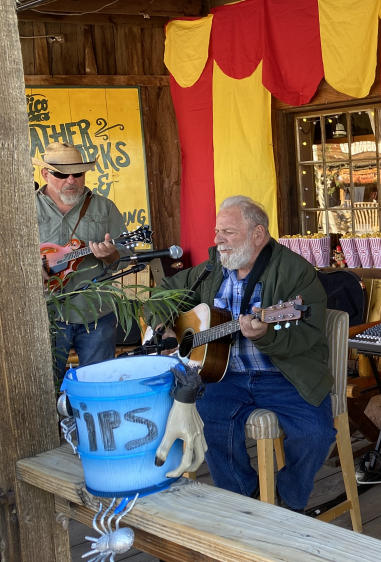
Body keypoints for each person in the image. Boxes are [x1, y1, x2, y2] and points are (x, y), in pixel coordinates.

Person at [157, 196, 336, 512]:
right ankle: (246, 499)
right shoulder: (212, 268)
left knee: (315, 434)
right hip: (225, 376)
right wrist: (164, 325)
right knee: (207, 421)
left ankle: (288, 501)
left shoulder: (296, 272)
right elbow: (161, 294)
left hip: (285, 375)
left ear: (258, 234)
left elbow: (308, 333)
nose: (217, 240)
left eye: (228, 231)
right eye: (217, 231)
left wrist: (266, 336)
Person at [35, 141, 126, 377]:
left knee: (98, 387)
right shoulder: (25, 208)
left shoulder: (105, 208)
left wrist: (112, 255)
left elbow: (125, 255)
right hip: (45, 314)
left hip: (96, 314)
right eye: (62, 174)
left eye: (78, 173)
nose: (71, 180)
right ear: (45, 173)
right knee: (46, 386)